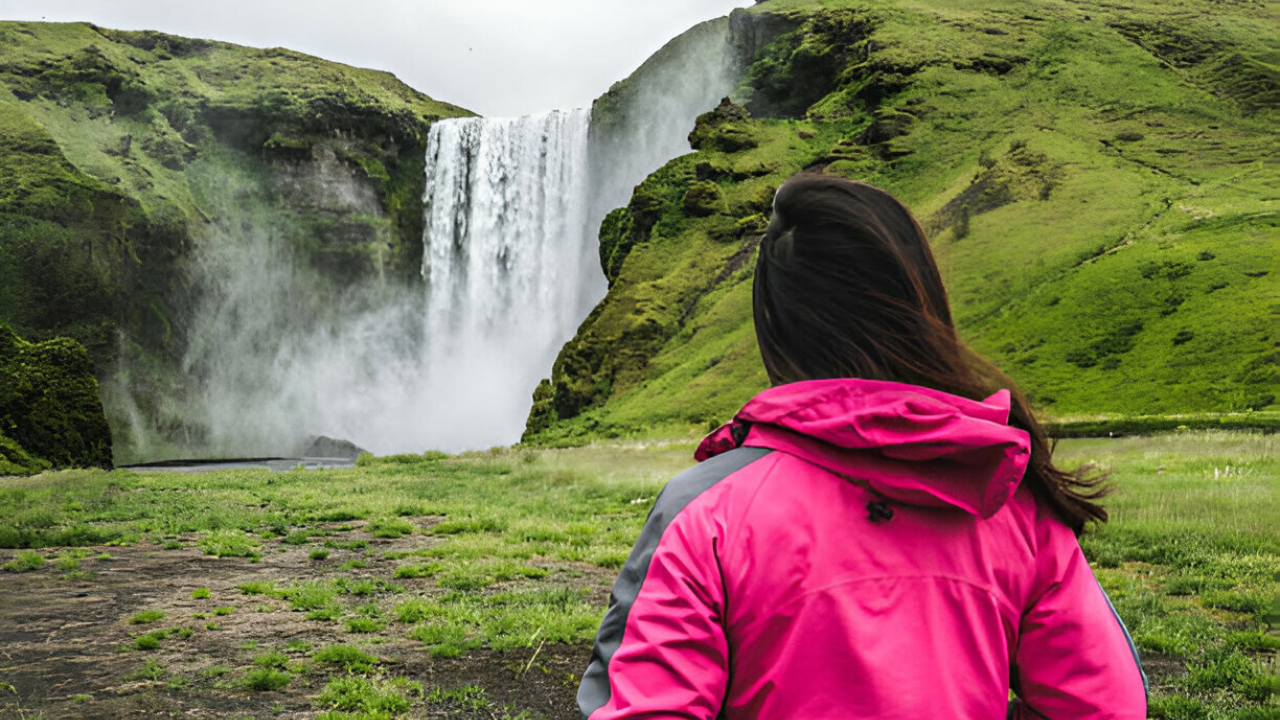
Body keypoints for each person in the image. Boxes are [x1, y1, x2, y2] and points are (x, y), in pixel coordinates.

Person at [576, 174, 1148, 719]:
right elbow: (1106, 706)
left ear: (775, 324)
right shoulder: (1011, 498)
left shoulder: (705, 510)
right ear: (922, 303)